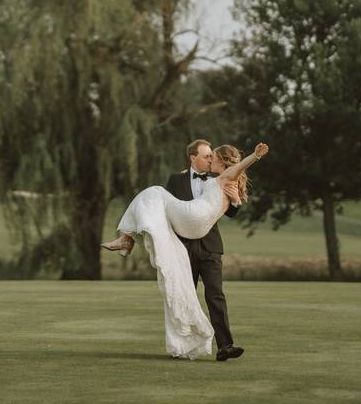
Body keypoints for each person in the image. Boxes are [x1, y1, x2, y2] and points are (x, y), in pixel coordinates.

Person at [101, 139, 268, 360]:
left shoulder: (223, 178)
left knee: (215, 295)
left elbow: (232, 203)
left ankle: (225, 346)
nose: (210, 159)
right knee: (179, 293)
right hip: (184, 243)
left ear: (220, 161)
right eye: (206, 156)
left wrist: (237, 197)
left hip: (209, 244)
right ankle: (182, 344)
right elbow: (163, 213)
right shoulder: (177, 179)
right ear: (193, 158)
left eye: (212, 156)